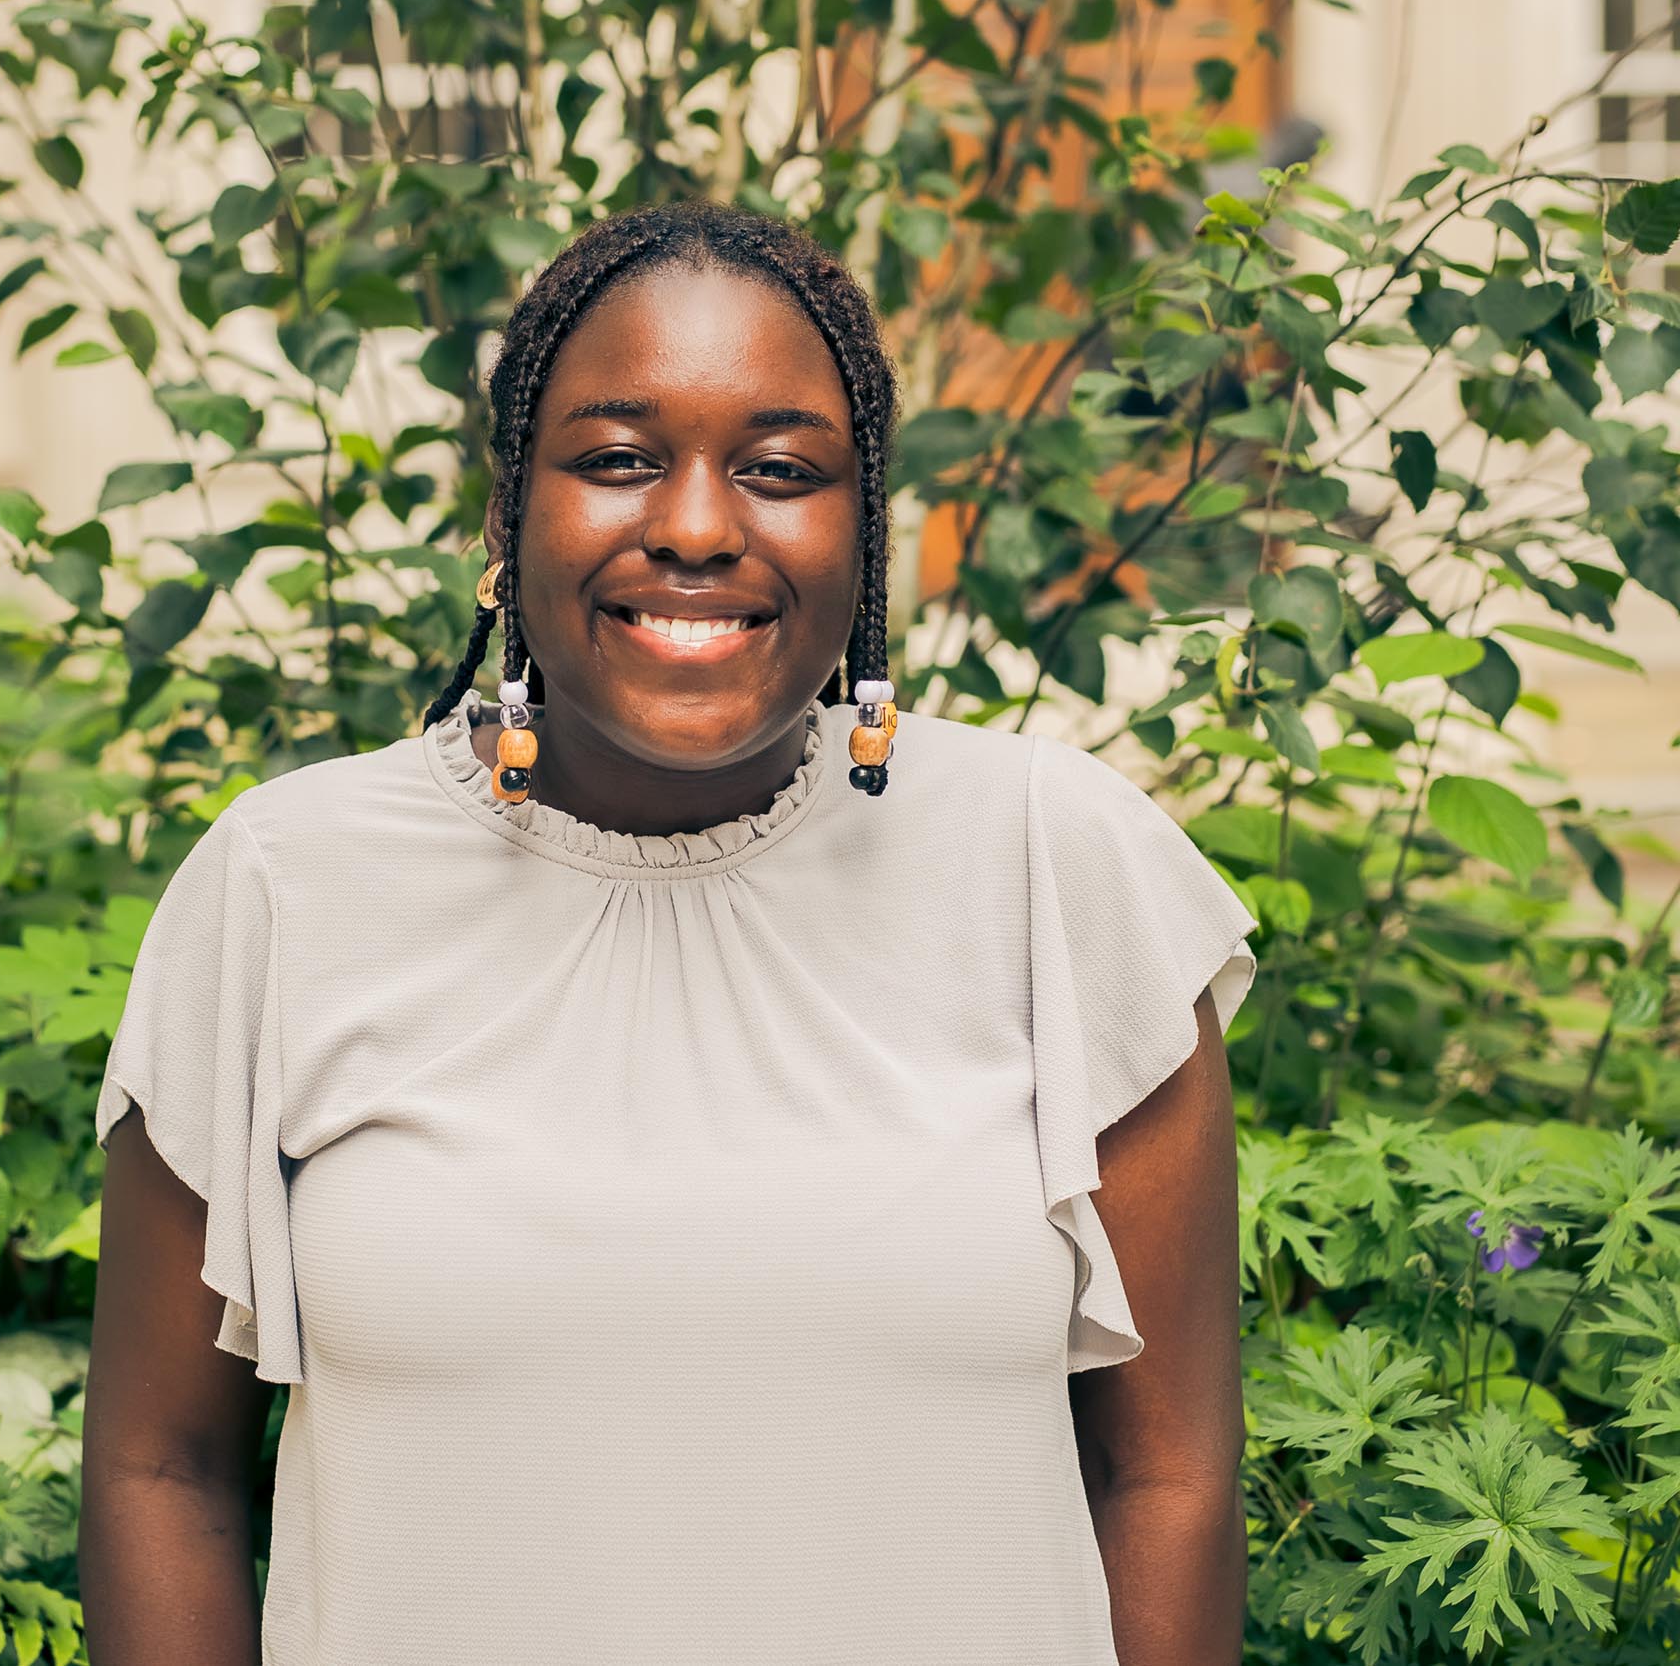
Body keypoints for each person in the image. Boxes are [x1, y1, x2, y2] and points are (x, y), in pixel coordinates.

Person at [78, 200, 1259, 1666]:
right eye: (619, 460)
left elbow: (1170, 1479)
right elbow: (161, 1473)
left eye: (779, 470)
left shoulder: (1058, 869)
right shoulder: (284, 886)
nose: (697, 526)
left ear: (863, 526)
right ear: (506, 519)